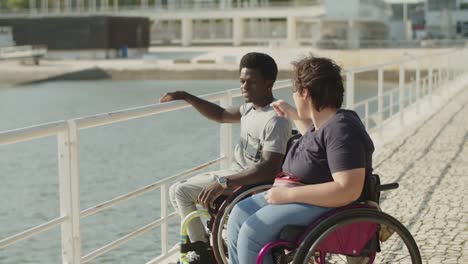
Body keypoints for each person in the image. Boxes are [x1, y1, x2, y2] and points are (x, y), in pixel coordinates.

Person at [227, 55, 375, 264]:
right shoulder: (325, 124)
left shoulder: (342, 129)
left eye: (295, 91)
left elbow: (348, 189)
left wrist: (287, 196)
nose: (294, 96)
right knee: (238, 215)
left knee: (251, 233)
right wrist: (293, 115)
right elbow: (317, 149)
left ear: (305, 93)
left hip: (325, 204)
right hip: (302, 195)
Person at [159, 52, 292, 262]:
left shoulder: (275, 120)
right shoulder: (249, 108)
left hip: (249, 183)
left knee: (182, 192)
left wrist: (225, 182)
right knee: (177, 189)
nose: (244, 87)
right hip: (234, 174)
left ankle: (203, 252)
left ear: (269, 83)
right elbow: (220, 115)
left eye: (251, 82)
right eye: (242, 81)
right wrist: (187, 96)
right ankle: (203, 247)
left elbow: (269, 168)